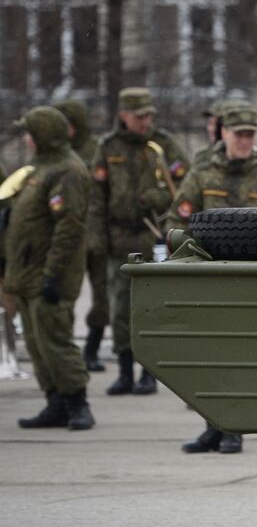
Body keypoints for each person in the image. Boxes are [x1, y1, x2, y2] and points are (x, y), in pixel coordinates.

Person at [168, 104, 257, 453]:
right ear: (223, 133)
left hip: (253, 278)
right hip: (209, 276)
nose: (245, 141)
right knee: (207, 354)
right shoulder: (203, 172)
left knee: (241, 353)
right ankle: (213, 424)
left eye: (250, 135)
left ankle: (234, 427)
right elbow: (176, 219)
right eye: (239, 134)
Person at [91, 87, 188, 396]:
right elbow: (96, 198)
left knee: (149, 309)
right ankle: (124, 371)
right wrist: (96, 239)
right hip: (118, 237)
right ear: (124, 116)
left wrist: (157, 197)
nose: (146, 121)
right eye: (140, 116)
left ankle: (149, 372)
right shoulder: (108, 147)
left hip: (152, 236)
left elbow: (185, 186)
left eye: (149, 115)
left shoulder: (162, 144)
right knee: (119, 307)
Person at [8, 107, 94, 431]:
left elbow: (69, 227)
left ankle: (78, 403)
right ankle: (55, 403)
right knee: (36, 344)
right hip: (28, 273)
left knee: (55, 342)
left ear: (43, 135)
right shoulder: (40, 169)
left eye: (30, 132)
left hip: (48, 274)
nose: (26, 139)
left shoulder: (68, 170)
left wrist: (53, 275)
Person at [53, 99, 107, 373]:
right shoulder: (56, 153)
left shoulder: (97, 150)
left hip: (96, 232)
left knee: (103, 296)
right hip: (69, 235)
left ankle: (93, 349)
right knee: (66, 294)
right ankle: (69, 350)